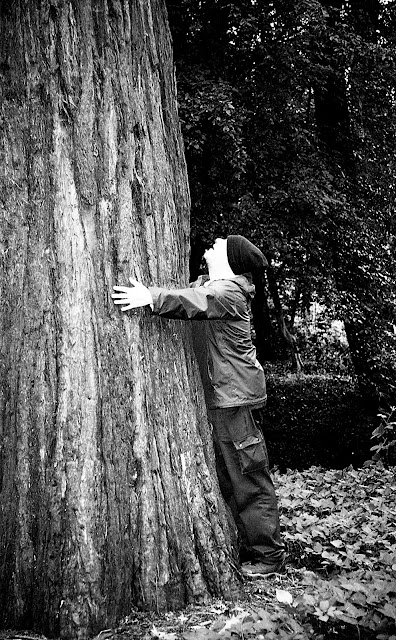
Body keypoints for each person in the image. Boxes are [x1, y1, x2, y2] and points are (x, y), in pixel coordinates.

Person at [112, 235, 285, 578]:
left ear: (231, 262)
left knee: (248, 477)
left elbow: (199, 301)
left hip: (235, 402)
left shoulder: (230, 292)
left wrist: (152, 297)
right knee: (226, 476)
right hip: (224, 399)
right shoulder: (215, 285)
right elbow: (198, 291)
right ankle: (245, 545)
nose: (212, 244)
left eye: (219, 245)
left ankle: (269, 556)